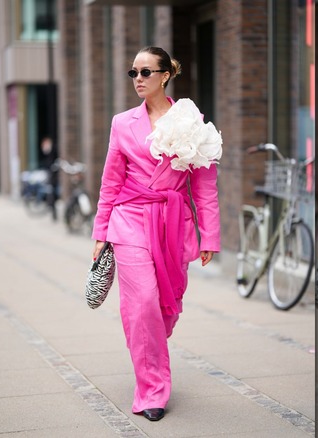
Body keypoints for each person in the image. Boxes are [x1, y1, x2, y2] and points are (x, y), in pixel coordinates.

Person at [91, 46, 221, 422]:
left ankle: (147, 350)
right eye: (133, 72)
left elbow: (205, 187)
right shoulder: (121, 123)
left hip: (173, 223)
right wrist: (101, 231)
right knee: (143, 302)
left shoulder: (192, 120)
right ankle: (152, 391)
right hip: (129, 218)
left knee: (163, 309)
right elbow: (110, 181)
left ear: (166, 75)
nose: (138, 79)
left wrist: (209, 235)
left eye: (146, 72)